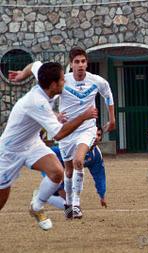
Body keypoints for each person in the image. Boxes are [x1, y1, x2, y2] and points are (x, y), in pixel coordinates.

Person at [12, 47, 115, 219]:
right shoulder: (61, 81)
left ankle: (75, 203)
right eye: (76, 62)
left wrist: (111, 119)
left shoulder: (97, 81)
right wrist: (56, 115)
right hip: (67, 130)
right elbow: (44, 95)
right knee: (67, 171)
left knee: (78, 160)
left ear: (87, 63)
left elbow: (108, 94)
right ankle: (68, 205)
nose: (80, 65)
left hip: (87, 128)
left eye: (83, 61)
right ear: (71, 64)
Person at [2, 62, 97, 230]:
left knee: (57, 172)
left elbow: (34, 64)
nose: (64, 83)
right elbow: (59, 134)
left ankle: (36, 207)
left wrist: (21, 75)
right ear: (53, 85)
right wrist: (83, 116)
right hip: (9, 151)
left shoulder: (44, 77)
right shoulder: (37, 101)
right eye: (62, 80)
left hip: (31, 143)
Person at [35, 127, 108, 209]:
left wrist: (102, 195)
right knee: (67, 197)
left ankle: (44, 195)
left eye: (98, 135)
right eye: (93, 134)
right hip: (53, 168)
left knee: (69, 201)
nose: (96, 137)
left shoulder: (96, 155)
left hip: (66, 174)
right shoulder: (71, 146)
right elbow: (49, 153)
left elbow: (99, 175)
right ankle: (44, 195)